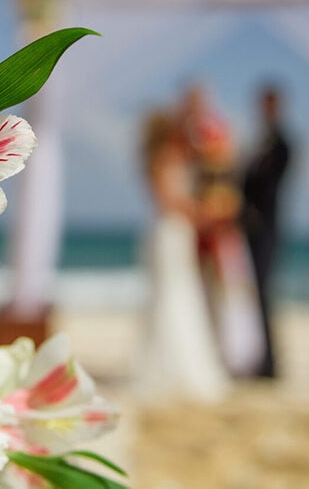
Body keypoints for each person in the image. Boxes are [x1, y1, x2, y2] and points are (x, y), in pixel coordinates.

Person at [134, 110, 229, 402]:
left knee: (179, 293)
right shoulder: (165, 156)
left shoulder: (161, 156)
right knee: (173, 294)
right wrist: (203, 213)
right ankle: (172, 367)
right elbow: (168, 199)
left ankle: (171, 365)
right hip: (171, 230)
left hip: (173, 231)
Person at [179, 84, 265, 378]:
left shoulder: (218, 134)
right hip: (198, 225)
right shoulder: (181, 136)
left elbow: (225, 176)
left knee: (230, 291)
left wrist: (218, 208)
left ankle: (233, 354)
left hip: (216, 225)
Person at [241, 84, 292, 378]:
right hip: (248, 229)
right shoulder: (257, 143)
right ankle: (257, 356)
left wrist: (251, 212)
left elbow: (270, 187)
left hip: (265, 229)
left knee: (263, 292)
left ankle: (270, 362)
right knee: (250, 294)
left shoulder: (283, 145)